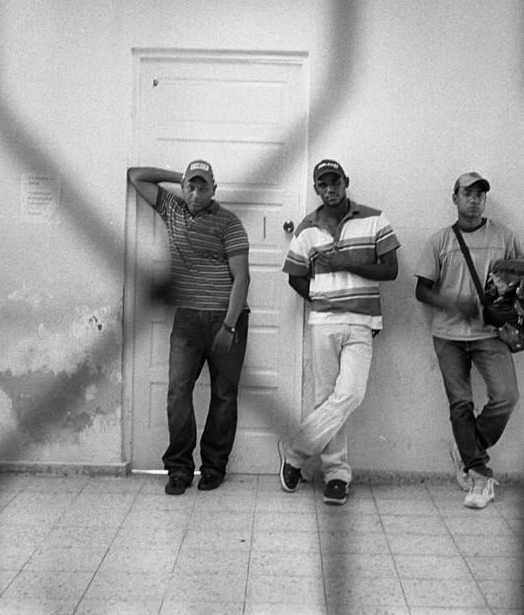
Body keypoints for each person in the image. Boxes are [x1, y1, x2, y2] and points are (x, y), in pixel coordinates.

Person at [414, 171, 524, 509]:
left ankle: (468, 452)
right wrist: (454, 303)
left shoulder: (504, 235)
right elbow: (421, 290)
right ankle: (481, 477)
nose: (474, 199)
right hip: (448, 335)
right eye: (467, 193)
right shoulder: (439, 241)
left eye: (479, 194)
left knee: (506, 396)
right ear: (455, 198)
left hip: (490, 333)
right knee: (460, 404)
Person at [278, 159, 400, 506]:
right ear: (316, 188)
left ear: (346, 182)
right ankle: (336, 475)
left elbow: (390, 269)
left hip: (362, 322)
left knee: (350, 394)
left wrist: (346, 263)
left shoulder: (374, 219)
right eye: (323, 184)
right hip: (324, 322)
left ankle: (296, 453)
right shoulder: (306, 228)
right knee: (326, 398)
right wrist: (322, 297)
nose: (330, 189)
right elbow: (295, 276)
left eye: (336, 182)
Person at [127, 160, 250, 495]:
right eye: (191, 186)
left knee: (224, 395)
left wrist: (228, 325)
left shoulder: (229, 223)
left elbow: (242, 277)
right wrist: (175, 177)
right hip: (187, 320)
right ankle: (179, 468)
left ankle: (213, 467)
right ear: (184, 187)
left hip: (225, 318)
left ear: (214, 189)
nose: (196, 193)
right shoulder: (172, 209)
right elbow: (135, 176)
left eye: (203, 186)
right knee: (178, 392)